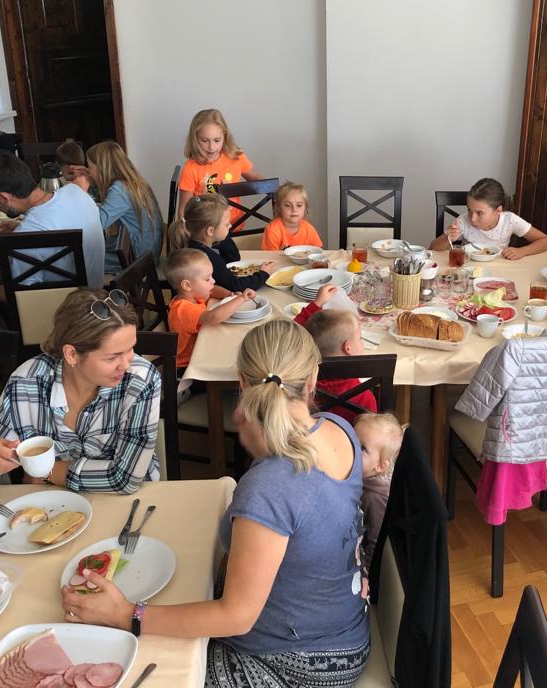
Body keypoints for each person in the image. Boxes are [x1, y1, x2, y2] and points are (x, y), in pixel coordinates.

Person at [61, 320, 370, 686]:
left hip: (297, 660)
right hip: (342, 627)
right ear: (314, 378)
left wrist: (128, 615)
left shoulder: (270, 486)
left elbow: (236, 617)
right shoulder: (339, 428)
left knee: (125, 668)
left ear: (241, 382)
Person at [0, 289, 160, 493]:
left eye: (131, 348)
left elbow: (126, 479)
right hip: (54, 501)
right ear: (71, 354)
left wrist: (48, 473)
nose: (127, 364)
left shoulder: (140, 380)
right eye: (112, 357)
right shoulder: (27, 383)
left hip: (131, 499)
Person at [0, 150, 105, 299]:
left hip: (65, 307)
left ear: (3, 198)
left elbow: (25, 298)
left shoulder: (27, 234)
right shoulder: (76, 192)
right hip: (96, 295)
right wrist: (20, 228)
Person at [72, 141, 163, 274]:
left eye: (90, 167)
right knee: (88, 252)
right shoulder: (130, 182)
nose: (88, 170)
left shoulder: (120, 190)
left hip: (139, 257)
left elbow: (96, 225)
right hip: (147, 249)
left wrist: (81, 192)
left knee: (78, 261)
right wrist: (92, 179)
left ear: (102, 169)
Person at [294, 285, 378, 424]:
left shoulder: (301, 387)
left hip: (311, 435)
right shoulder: (364, 398)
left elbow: (294, 334)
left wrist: (316, 304)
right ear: (348, 348)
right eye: (359, 338)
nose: (361, 341)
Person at [166, 248, 258, 369]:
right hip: (189, 364)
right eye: (207, 279)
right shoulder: (183, 309)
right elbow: (213, 317)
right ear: (187, 285)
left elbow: (212, 290)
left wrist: (227, 294)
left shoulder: (193, 295)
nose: (213, 281)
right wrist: (241, 298)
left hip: (202, 348)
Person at [168, 194, 274, 293]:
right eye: (226, 224)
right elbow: (234, 286)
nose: (230, 226)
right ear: (210, 231)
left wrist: (220, 235)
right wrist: (263, 274)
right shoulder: (205, 257)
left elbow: (233, 258)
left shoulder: (200, 243)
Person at [429, 177, 547, 259]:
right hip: (468, 267)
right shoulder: (463, 221)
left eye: (480, 213)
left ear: (498, 210)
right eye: (469, 210)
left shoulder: (510, 220)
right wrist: (448, 237)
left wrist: (521, 251)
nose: (472, 219)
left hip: (500, 268)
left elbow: (546, 241)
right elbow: (433, 248)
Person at [176, 108, 264, 222]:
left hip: (234, 226)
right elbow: (184, 208)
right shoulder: (190, 168)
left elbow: (254, 177)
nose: (211, 147)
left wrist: (277, 192)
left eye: (217, 140)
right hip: (204, 229)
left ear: (225, 137)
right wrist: (184, 227)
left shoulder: (236, 157)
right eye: (205, 140)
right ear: (195, 139)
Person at [355, 412, 404, 574]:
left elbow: (376, 541)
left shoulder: (375, 497)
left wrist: (367, 574)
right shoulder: (366, 473)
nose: (351, 448)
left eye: (362, 448)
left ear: (380, 466)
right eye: (352, 439)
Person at [260, 181, 323, 250]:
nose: (294, 209)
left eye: (299, 205)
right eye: (287, 205)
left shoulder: (309, 229)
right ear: (279, 208)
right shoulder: (272, 231)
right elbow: (270, 256)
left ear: (305, 208)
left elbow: (317, 252)